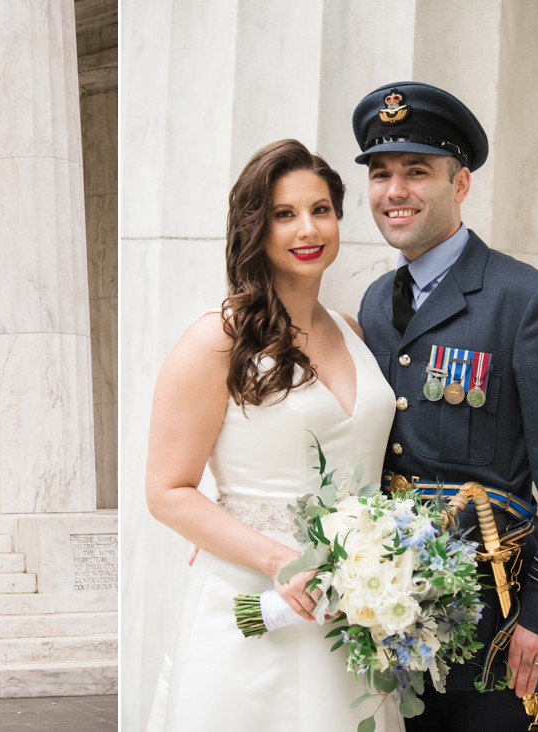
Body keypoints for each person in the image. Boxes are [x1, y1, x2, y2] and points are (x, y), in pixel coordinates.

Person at [354, 80, 538, 731]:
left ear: (460, 183)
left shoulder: (525, 300)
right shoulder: (377, 306)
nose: (395, 191)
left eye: (418, 171)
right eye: (381, 174)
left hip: (499, 632)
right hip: (391, 623)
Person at [144, 139, 399, 731]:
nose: (307, 228)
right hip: (255, 603)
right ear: (255, 228)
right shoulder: (217, 339)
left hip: (354, 609)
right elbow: (167, 491)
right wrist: (281, 560)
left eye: (321, 209)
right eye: (285, 214)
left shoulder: (354, 329)